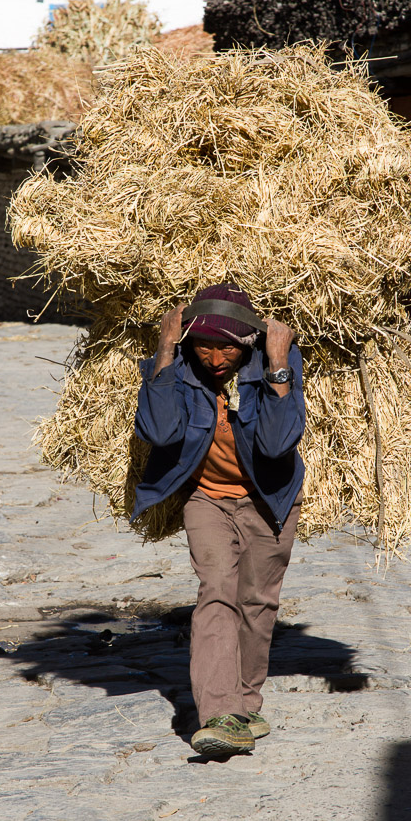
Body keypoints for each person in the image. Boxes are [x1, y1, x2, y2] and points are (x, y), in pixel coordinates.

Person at [132, 283, 305, 756]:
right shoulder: (180, 369)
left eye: (225, 346)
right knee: (216, 593)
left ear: (247, 341)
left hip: (269, 501)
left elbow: (275, 443)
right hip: (207, 500)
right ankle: (219, 713)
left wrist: (277, 366)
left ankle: (245, 704)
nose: (213, 358)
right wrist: (165, 352)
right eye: (202, 345)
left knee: (257, 602)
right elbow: (158, 431)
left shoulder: (275, 366)